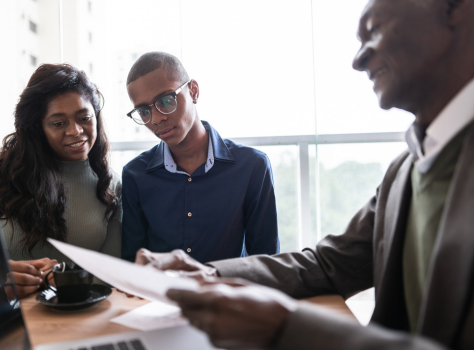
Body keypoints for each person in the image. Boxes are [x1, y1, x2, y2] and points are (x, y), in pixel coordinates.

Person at [134, 0, 474, 349]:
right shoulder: (405, 171)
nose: (359, 60)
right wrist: (209, 273)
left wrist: (288, 327)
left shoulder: (251, 165)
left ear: (455, 9)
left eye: (373, 32)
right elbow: (328, 264)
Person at [0, 64, 122, 297]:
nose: (75, 131)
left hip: (80, 311)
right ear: (38, 127)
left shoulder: (111, 183)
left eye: (84, 118)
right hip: (8, 313)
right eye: (58, 123)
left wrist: (64, 281)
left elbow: (112, 270)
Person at [121, 52, 279, 264]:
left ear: (193, 91)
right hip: (163, 296)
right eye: (143, 111)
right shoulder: (135, 175)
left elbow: (267, 262)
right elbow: (133, 264)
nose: (157, 118)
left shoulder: (252, 167)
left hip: (230, 295)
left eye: (166, 100)